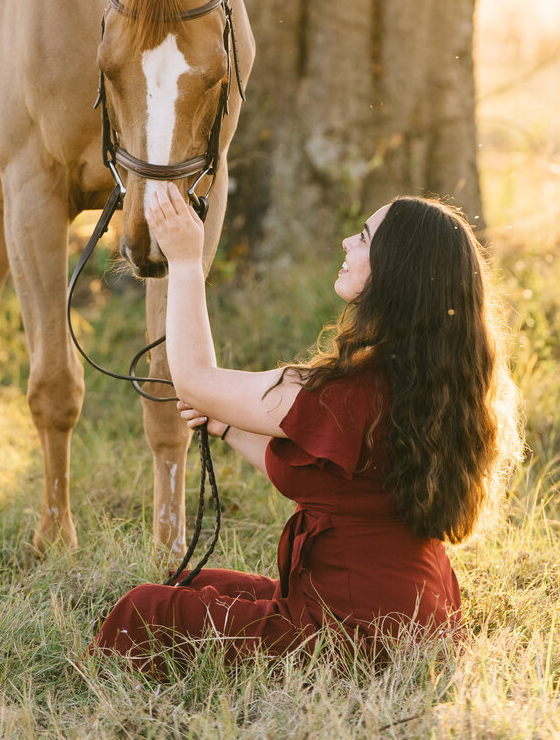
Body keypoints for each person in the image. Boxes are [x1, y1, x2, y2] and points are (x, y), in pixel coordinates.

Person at [92, 187, 523, 673]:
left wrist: (187, 262)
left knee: (145, 609)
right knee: (189, 582)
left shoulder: (342, 391)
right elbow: (329, 480)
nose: (346, 242)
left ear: (393, 270)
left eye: (363, 238)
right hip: (417, 617)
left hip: (350, 634)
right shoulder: (434, 383)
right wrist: (227, 426)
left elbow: (194, 380)